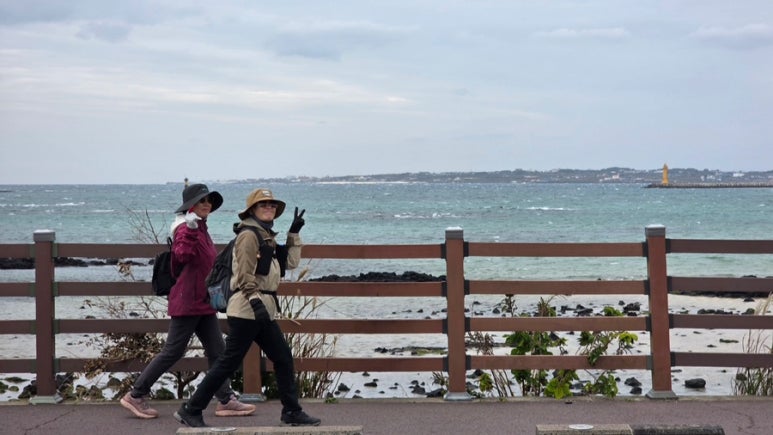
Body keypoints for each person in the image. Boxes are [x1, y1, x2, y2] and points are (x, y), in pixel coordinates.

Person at [174, 188, 320, 428]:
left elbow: (289, 264)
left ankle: (292, 411)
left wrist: (293, 233)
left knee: (281, 358)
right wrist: (254, 302)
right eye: (263, 205)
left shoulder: (266, 235)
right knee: (229, 362)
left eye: (272, 205)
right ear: (252, 209)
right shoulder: (249, 236)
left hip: (261, 308)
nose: (269, 208)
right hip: (247, 308)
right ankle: (191, 409)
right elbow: (243, 274)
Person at [120, 183, 255, 419]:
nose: (207, 204)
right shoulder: (185, 227)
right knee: (173, 351)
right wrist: (191, 230)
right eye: (202, 201)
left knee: (217, 350)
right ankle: (136, 394)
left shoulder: (200, 226)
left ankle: (225, 400)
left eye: (209, 201)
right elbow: (182, 255)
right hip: (188, 300)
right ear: (191, 205)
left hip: (203, 301)